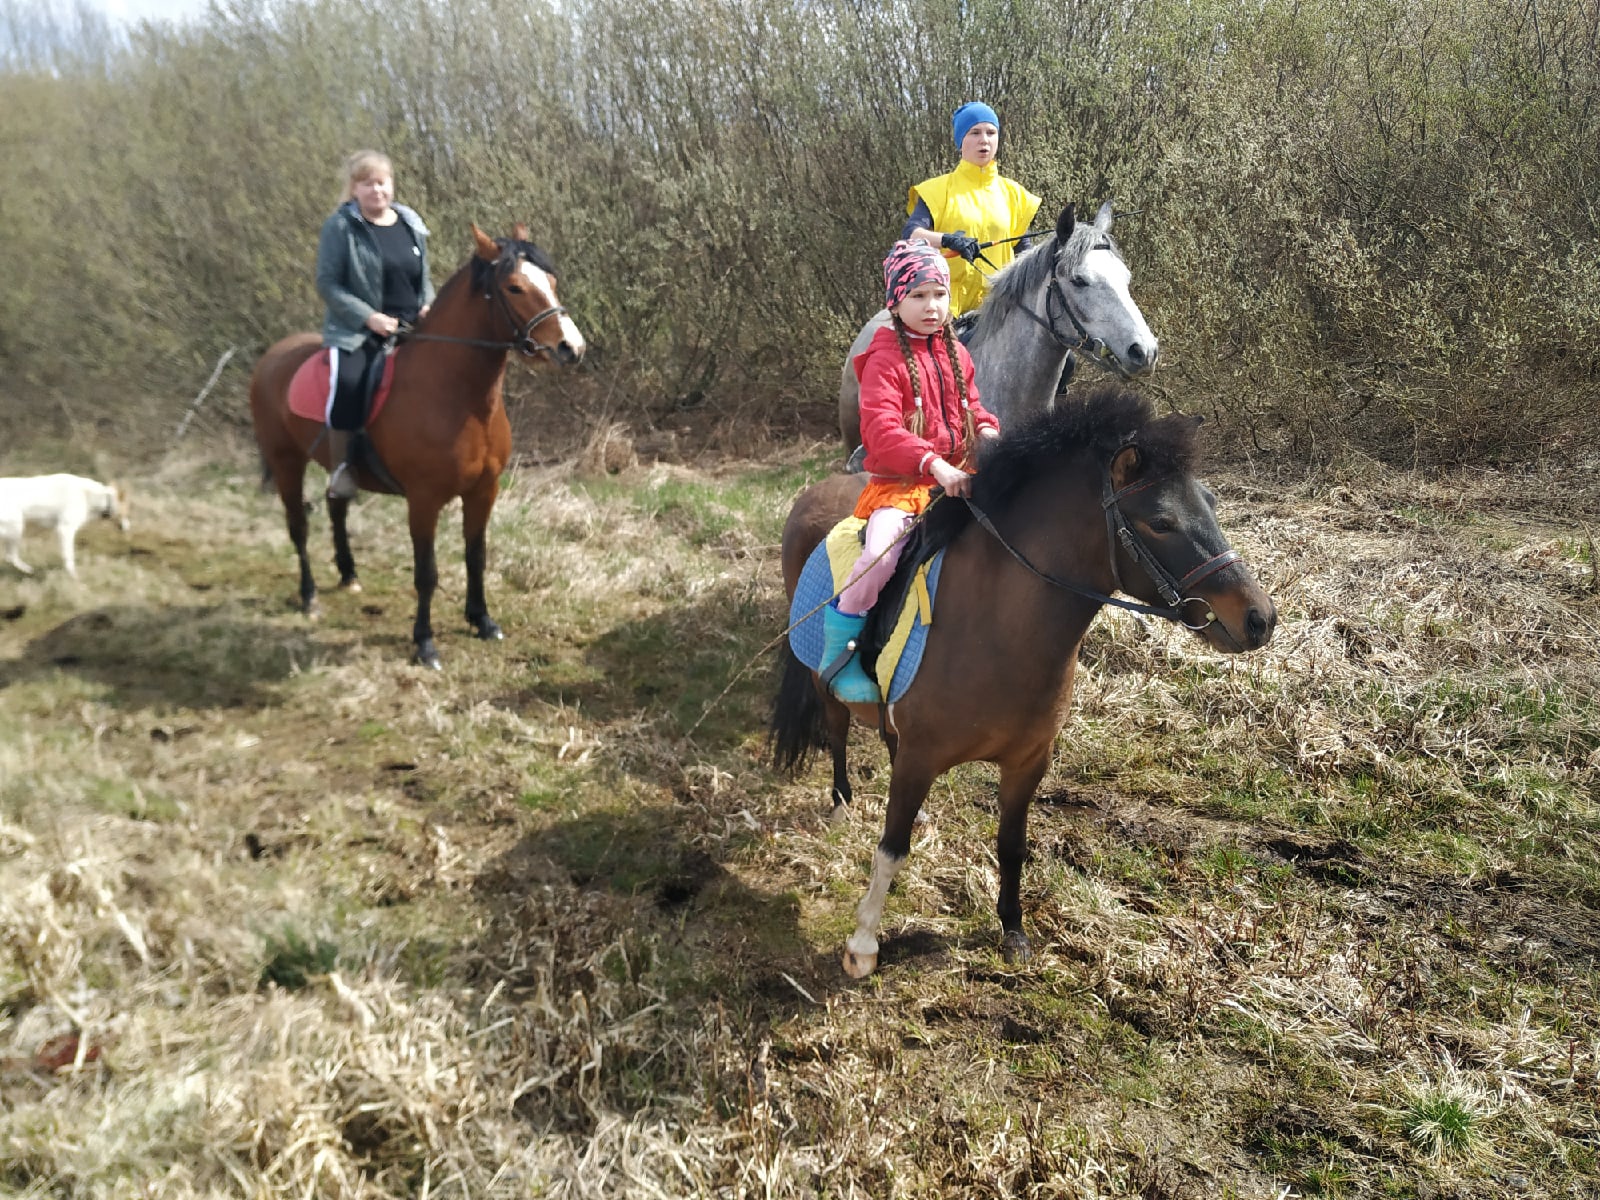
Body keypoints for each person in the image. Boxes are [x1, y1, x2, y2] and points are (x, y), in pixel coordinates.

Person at [822, 241, 1002, 703]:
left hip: (959, 477)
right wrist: (933, 463)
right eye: (918, 295)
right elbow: (880, 430)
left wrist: (986, 431)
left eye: (939, 294)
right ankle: (839, 656)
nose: (931, 306)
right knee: (880, 557)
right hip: (902, 487)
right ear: (896, 301)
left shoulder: (957, 354)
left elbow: (973, 407)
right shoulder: (884, 359)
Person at [314, 149, 435, 499]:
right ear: (354, 189)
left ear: (391, 184)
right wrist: (370, 317)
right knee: (349, 383)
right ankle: (342, 470)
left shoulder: (410, 222)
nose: (376, 190)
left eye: (382, 182)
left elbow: (422, 277)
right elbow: (328, 284)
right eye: (367, 184)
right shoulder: (340, 227)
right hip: (357, 332)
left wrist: (427, 303)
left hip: (412, 329)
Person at [902, 101, 1041, 319]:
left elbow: (1024, 252)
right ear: (960, 141)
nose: (984, 140)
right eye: (974, 132)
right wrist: (948, 240)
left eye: (991, 132)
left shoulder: (1015, 194)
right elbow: (911, 235)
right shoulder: (936, 190)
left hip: (999, 309)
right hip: (946, 309)